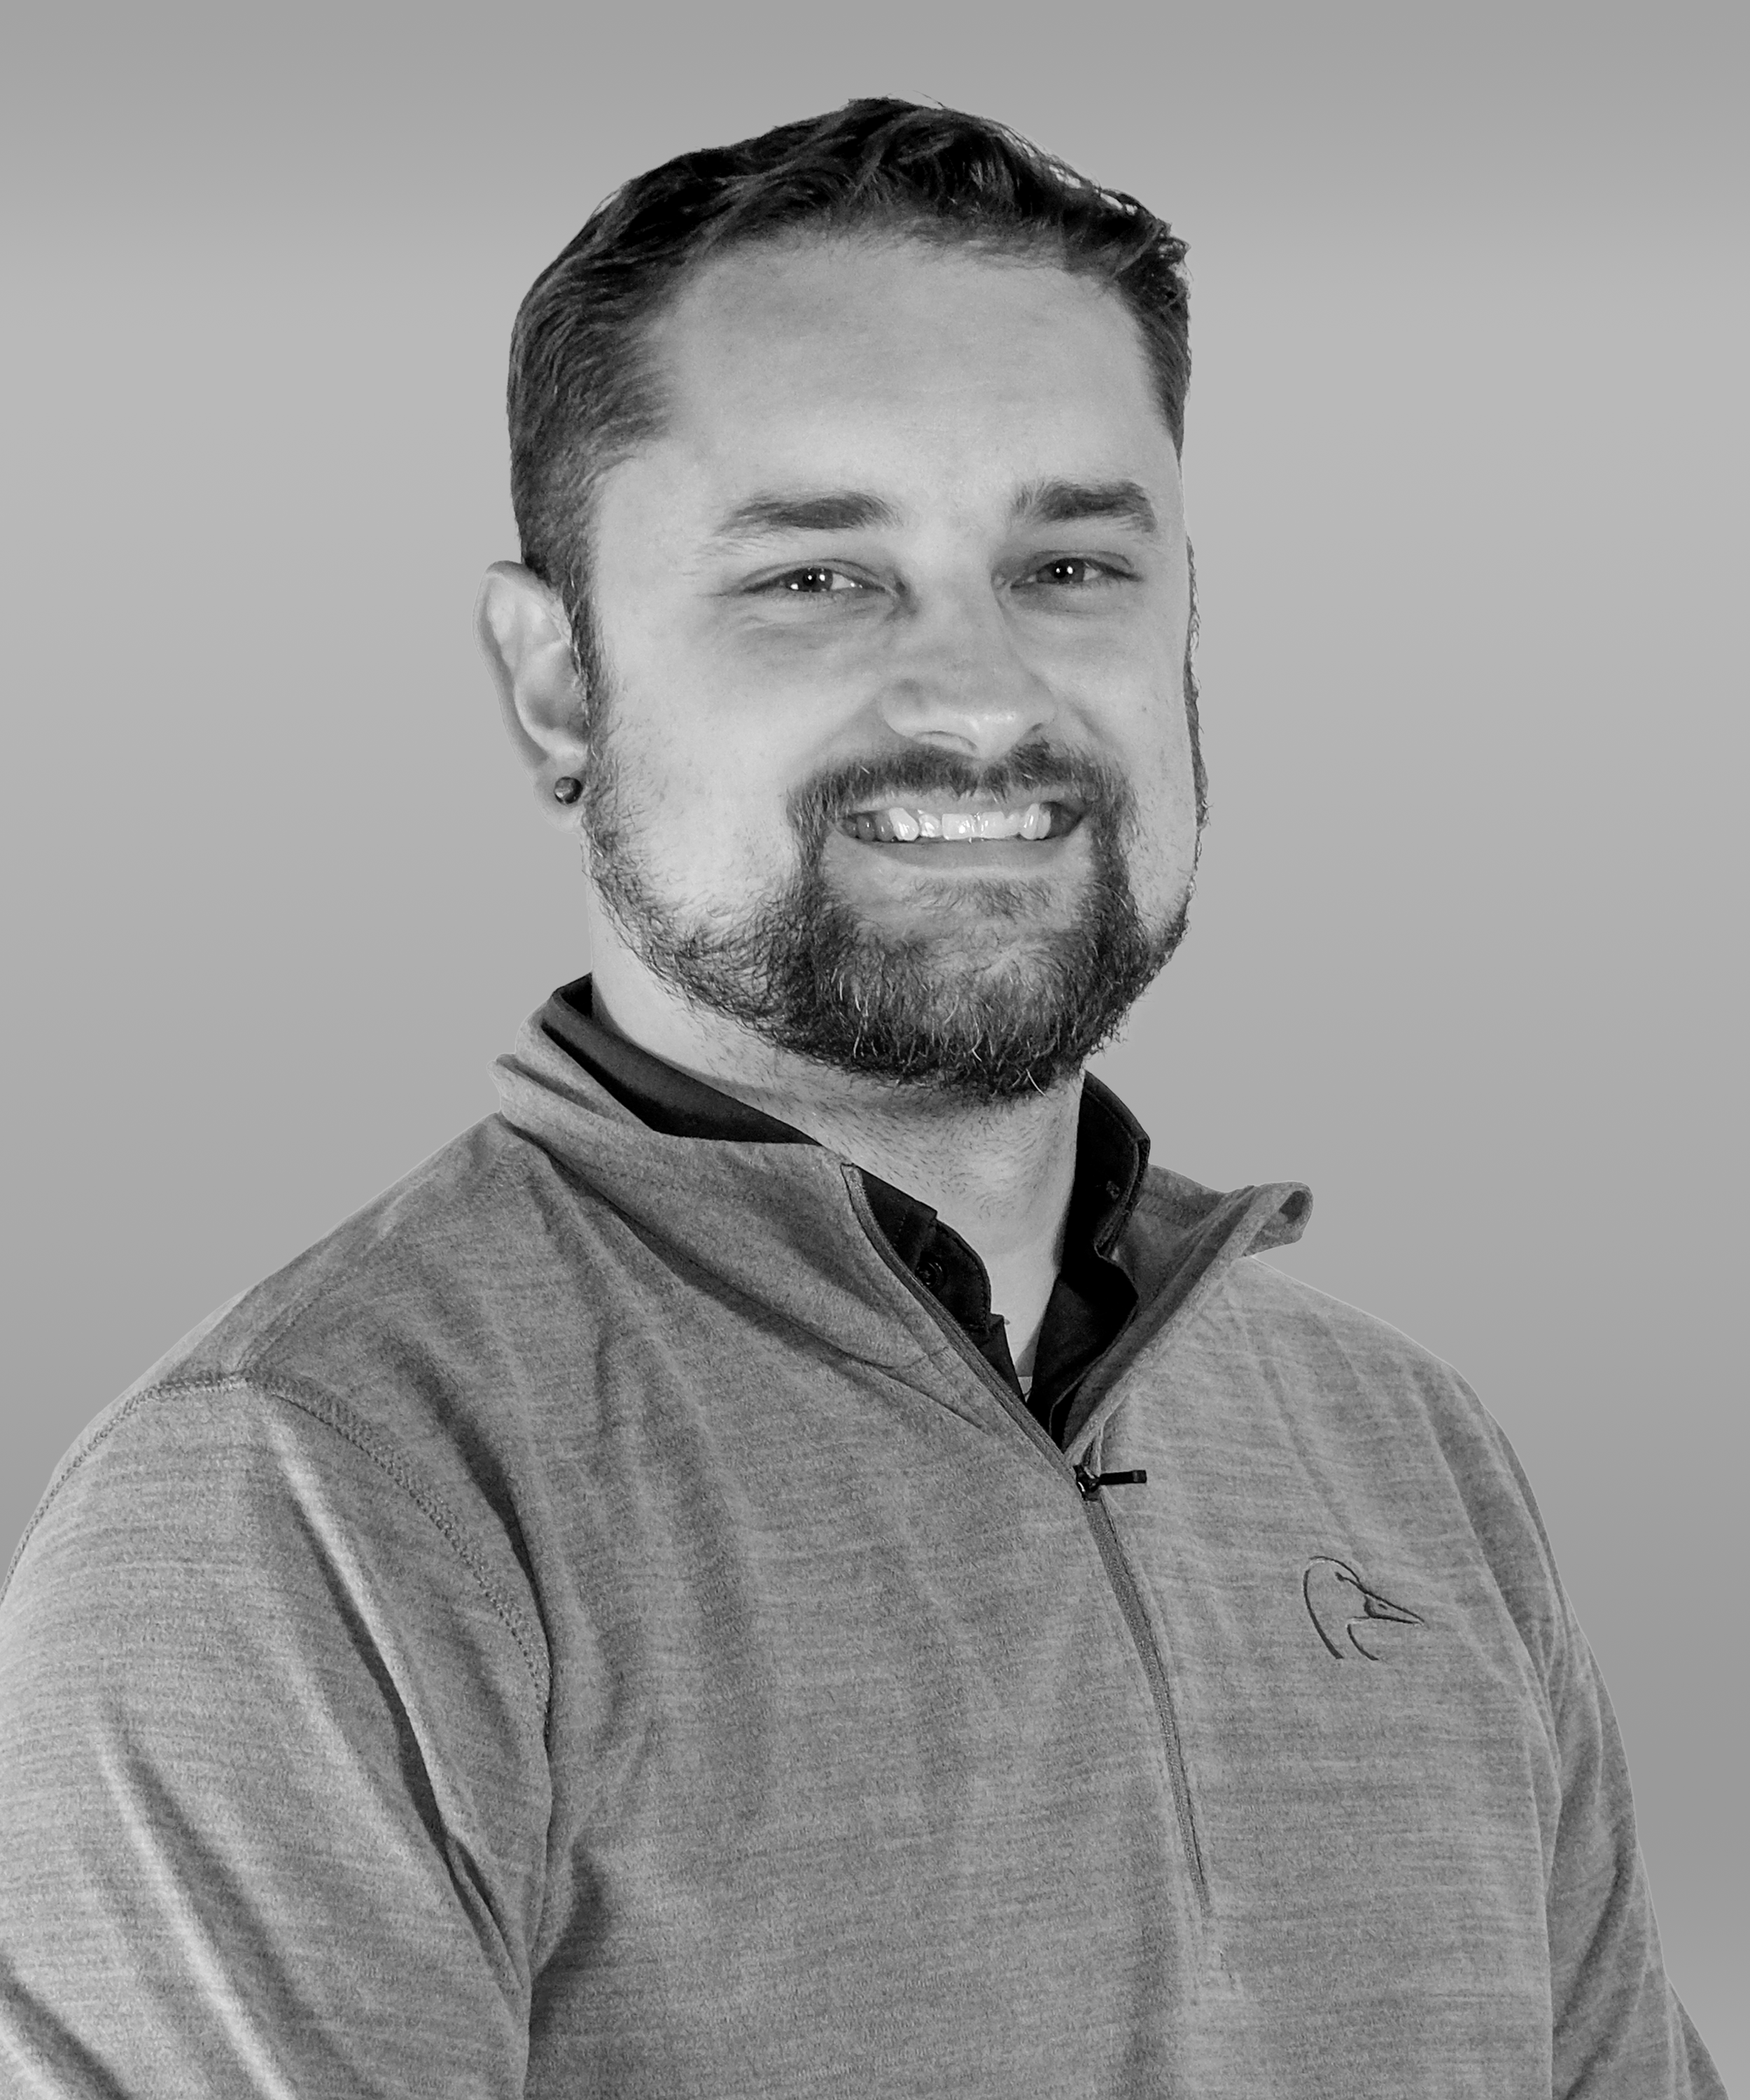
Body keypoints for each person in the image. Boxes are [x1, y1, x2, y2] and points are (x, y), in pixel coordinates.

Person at [0, 98, 1721, 2099]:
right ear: (555, 681)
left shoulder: (1401, 1451)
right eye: (819, 581)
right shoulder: (313, 1487)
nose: (982, 698)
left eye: (1069, 561)